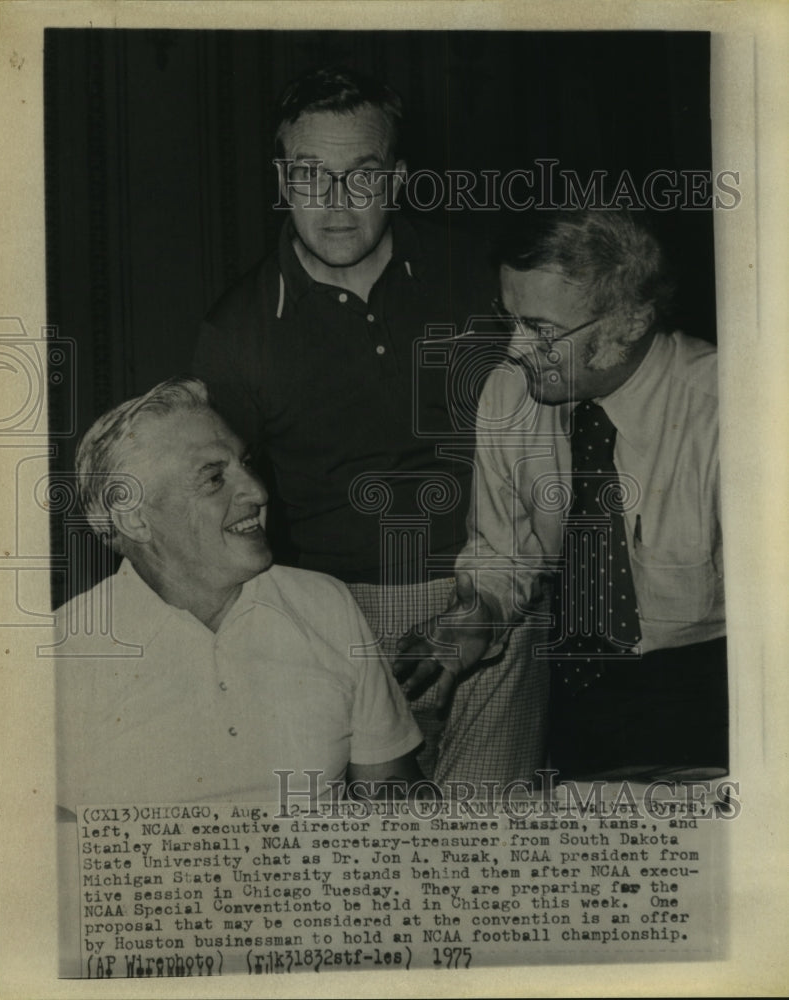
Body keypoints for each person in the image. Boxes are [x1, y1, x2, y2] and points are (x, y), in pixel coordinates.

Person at [193, 67, 548, 785]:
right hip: (336, 612)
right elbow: (213, 510)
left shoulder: (477, 273)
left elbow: (552, 434)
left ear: (398, 178)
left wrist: (490, 605)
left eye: (362, 174)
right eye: (310, 174)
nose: (335, 203)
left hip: (493, 590)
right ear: (282, 178)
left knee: (490, 855)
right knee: (377, 867)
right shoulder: (236, 332)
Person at [420, 209, 727, 782]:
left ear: (630, 320)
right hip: (576, 692)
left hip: (712, 696)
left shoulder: (726, 412)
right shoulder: (511, 393)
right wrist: (475, 615)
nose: (514, 348)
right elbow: (504, 555)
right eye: (507, 318)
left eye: (539, 329)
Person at [54, 377, 424, 814]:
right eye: (214, 478)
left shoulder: (326, 605)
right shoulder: (63, 652)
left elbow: (397, 804)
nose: (257, 492)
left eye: (246, 464)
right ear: (134, 519)